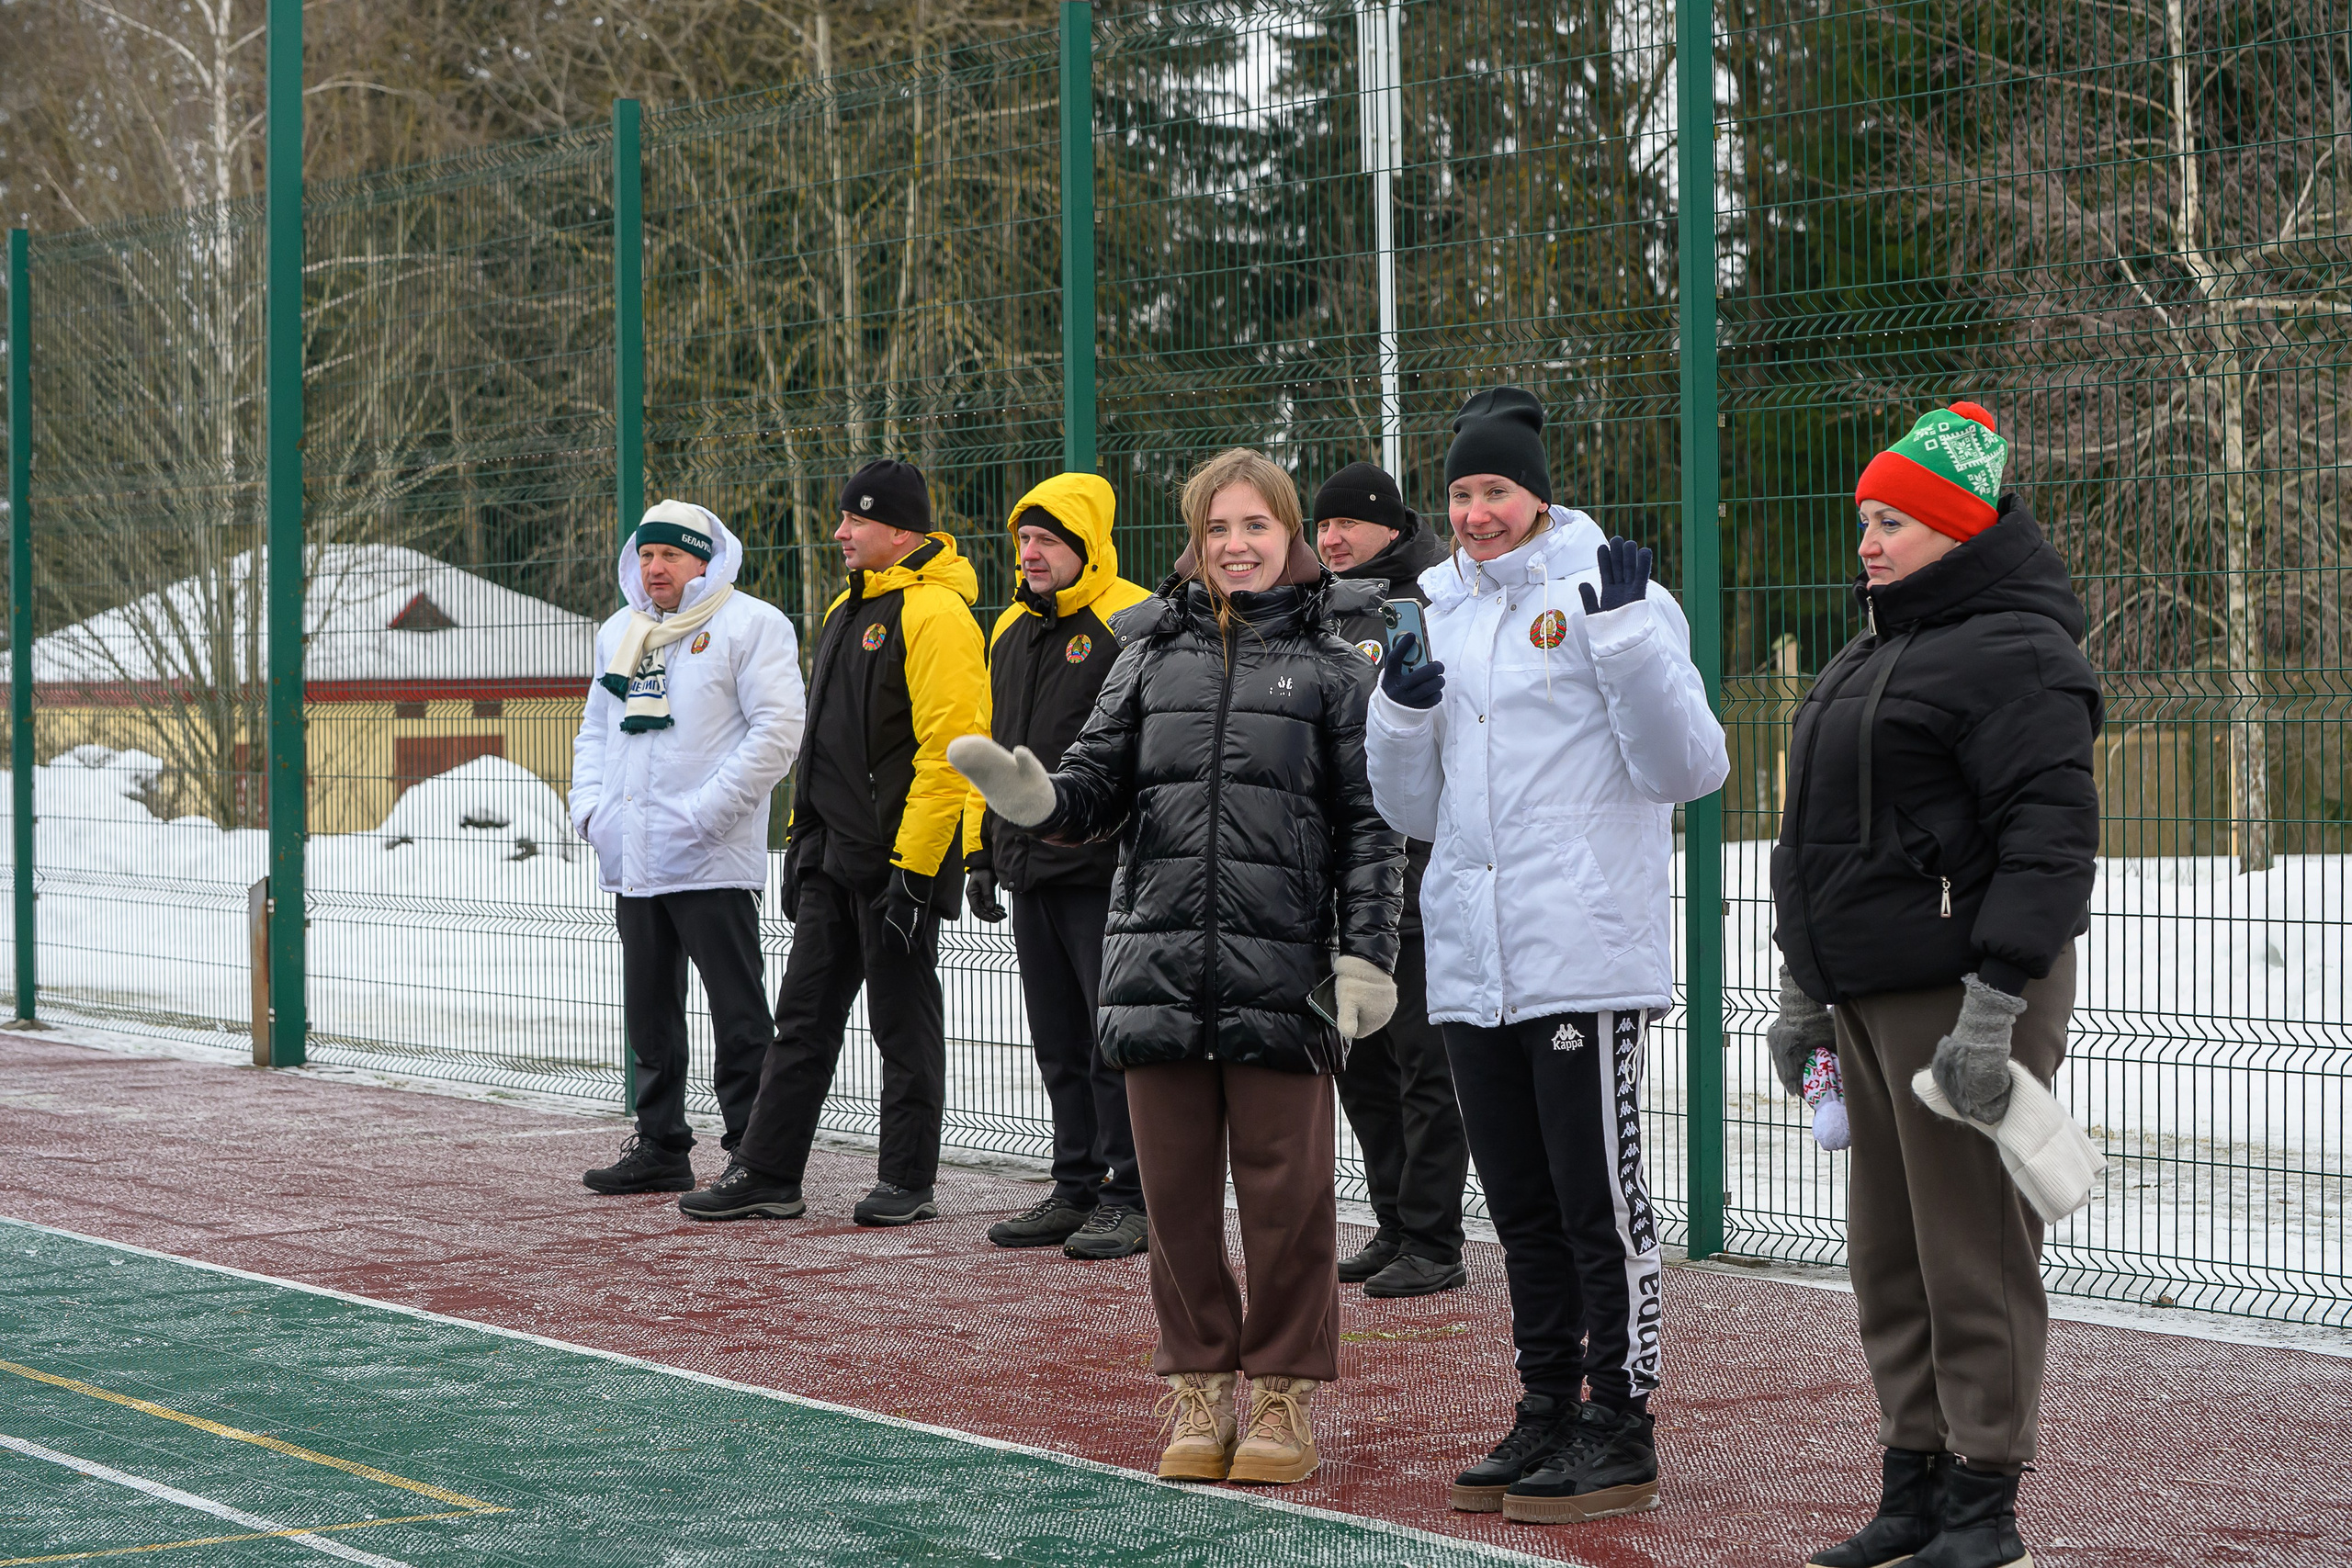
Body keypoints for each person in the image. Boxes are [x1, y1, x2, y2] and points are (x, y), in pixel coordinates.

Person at [950, 447, 1403, 1487]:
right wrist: (1036, 800)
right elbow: (1094, 788)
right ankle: (1199, 1385)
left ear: (1287, 535)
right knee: (1176, 1199)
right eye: (1216, 530)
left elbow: (1371, 830)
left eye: (1254, 526)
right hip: (1155, 967)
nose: (1235, 546)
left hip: (1283, 971)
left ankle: (1283, 1396)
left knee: (1288, 1201)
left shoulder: (1338, 663)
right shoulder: (1148, 655)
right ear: (1193, 546)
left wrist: (1366, 956)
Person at [1363, 386, 1729, 1524]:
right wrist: (1400, 709)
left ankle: (1619, 1421)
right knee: (1517, 1202)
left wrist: (1622, 642)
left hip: (1581, 954)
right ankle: (1545, 1408)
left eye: (1496, 491)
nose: (1475, 513)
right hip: (1475, 961)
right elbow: (1408, 810)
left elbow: (1688, 766)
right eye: (1462, 492)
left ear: (1537, 492)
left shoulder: (1614, 596)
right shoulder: (1439, 610)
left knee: (1596, 1204)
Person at [1766, 403, 2100, 1568]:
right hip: (1866, 995)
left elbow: (2049, 845)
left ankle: (1983, 1500)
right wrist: (1805, 989)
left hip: (1963, 996)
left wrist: (1997, 1004)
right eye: (1863, 517)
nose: (1866, 539)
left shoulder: (2019, 653)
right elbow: (1816, 838)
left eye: (1893, 520)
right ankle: (1910, 1483)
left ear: (1958, 527)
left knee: (1973, 1252)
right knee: (1890, 1252)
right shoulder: (1872, 648)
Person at [679, 459, 985, 1228]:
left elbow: (951, 749)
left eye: (856, 519)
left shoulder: (937, 613)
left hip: (895, 866)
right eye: (842, 517)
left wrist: (915, 873)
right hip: (832, 861)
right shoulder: (850, 608)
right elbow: (821, 741)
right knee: (803, 1020)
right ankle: (769, 1170)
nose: (840, 531)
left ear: (901, 530)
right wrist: (800, 837)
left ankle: (906, 1178)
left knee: (901, 1023)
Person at [572, 500, 805, 1194]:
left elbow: (777, 732)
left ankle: (751, 1151)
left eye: (670, 555)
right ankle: (661, 1141)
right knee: (649, 1010)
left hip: (709, 855)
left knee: (738, 1014)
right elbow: (596, 730)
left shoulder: (751, 624)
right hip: (634, 854)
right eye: (645, 555)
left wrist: (707, 814)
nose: (655, 568)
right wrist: (591, 811)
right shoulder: (621, 630)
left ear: (705, 559)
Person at [962, 473, 1153, 1261]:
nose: (1031, 554)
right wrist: (982, 846)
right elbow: (996, 740)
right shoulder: (1009, 625)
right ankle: (1073, 1184)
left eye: (1047, 541)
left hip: (1103, 868)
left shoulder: (1130, 619)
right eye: (1024, 540)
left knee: (1116, 1039)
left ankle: (1132, 1194)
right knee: (1056, 1041)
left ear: (1087, 547)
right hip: (1028, 866)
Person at [1312, 461, 1470, 1299]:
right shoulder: (1315, 606)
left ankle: (1435, 1239)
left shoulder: (1429, 603)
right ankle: (1394, 1223)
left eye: (1345, 524)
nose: (1329, 538)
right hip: (1335, 879)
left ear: (1390, 524)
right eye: (1320, 526)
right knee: (1360, 1062)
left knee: (1422, 1063)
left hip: (1410, 874)